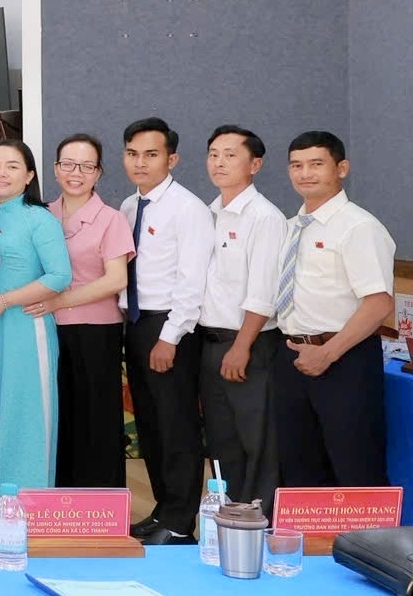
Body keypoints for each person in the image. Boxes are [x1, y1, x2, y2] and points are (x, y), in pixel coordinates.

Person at [270, 131, 395, 488]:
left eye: (316, 164)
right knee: (299, 469)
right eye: (296, 165)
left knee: (356, 467)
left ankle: (366, 530)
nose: (305, 173)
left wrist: (327, 353)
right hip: (292, 357)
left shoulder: (359, 227)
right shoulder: (291, 227)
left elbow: (379, 303)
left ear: (341, 168)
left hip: (343, 359)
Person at [116, 117, 211, 545]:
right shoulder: (128, 206)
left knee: (177, 426)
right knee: (151, 425)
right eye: (132, 154)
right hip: (136, 323)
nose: (140, 163)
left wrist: (170, 337)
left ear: (171, 159)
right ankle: (162, 510)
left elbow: (193, 281)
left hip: (169, 326)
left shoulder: (188, 208)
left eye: (151, 155)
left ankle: (180, 523)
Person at [25, 134, 133, 489]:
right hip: (47, 328)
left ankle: (101, 505)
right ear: (56, 169)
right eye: (69, 164)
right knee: (57, 416)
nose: (76, 173)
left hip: (94, 331)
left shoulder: (111, 219)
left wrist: (59, 301)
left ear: (99, 173)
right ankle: (58, 501)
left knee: (95, 420)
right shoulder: (40, 214)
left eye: (87, 166)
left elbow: (115, 279)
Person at [196, 125, 286, 512]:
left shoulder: (264, 217)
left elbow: (263, 291)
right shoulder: (209, 212)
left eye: (230, 155)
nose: (219, 162)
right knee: (222, 440)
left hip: (248, 344)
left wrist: (242, 346)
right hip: (210, 342)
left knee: (257, 439)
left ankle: (260, 521)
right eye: (214, 154)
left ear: (255, 164)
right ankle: (227, 517)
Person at [0, 140, 70, 494]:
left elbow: (59, 276)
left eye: (12, 166)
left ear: (30, 175)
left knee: (25, 415)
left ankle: (26, 504)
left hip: (25, 329)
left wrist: (5, 300)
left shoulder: (39, 219)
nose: (1, 173)